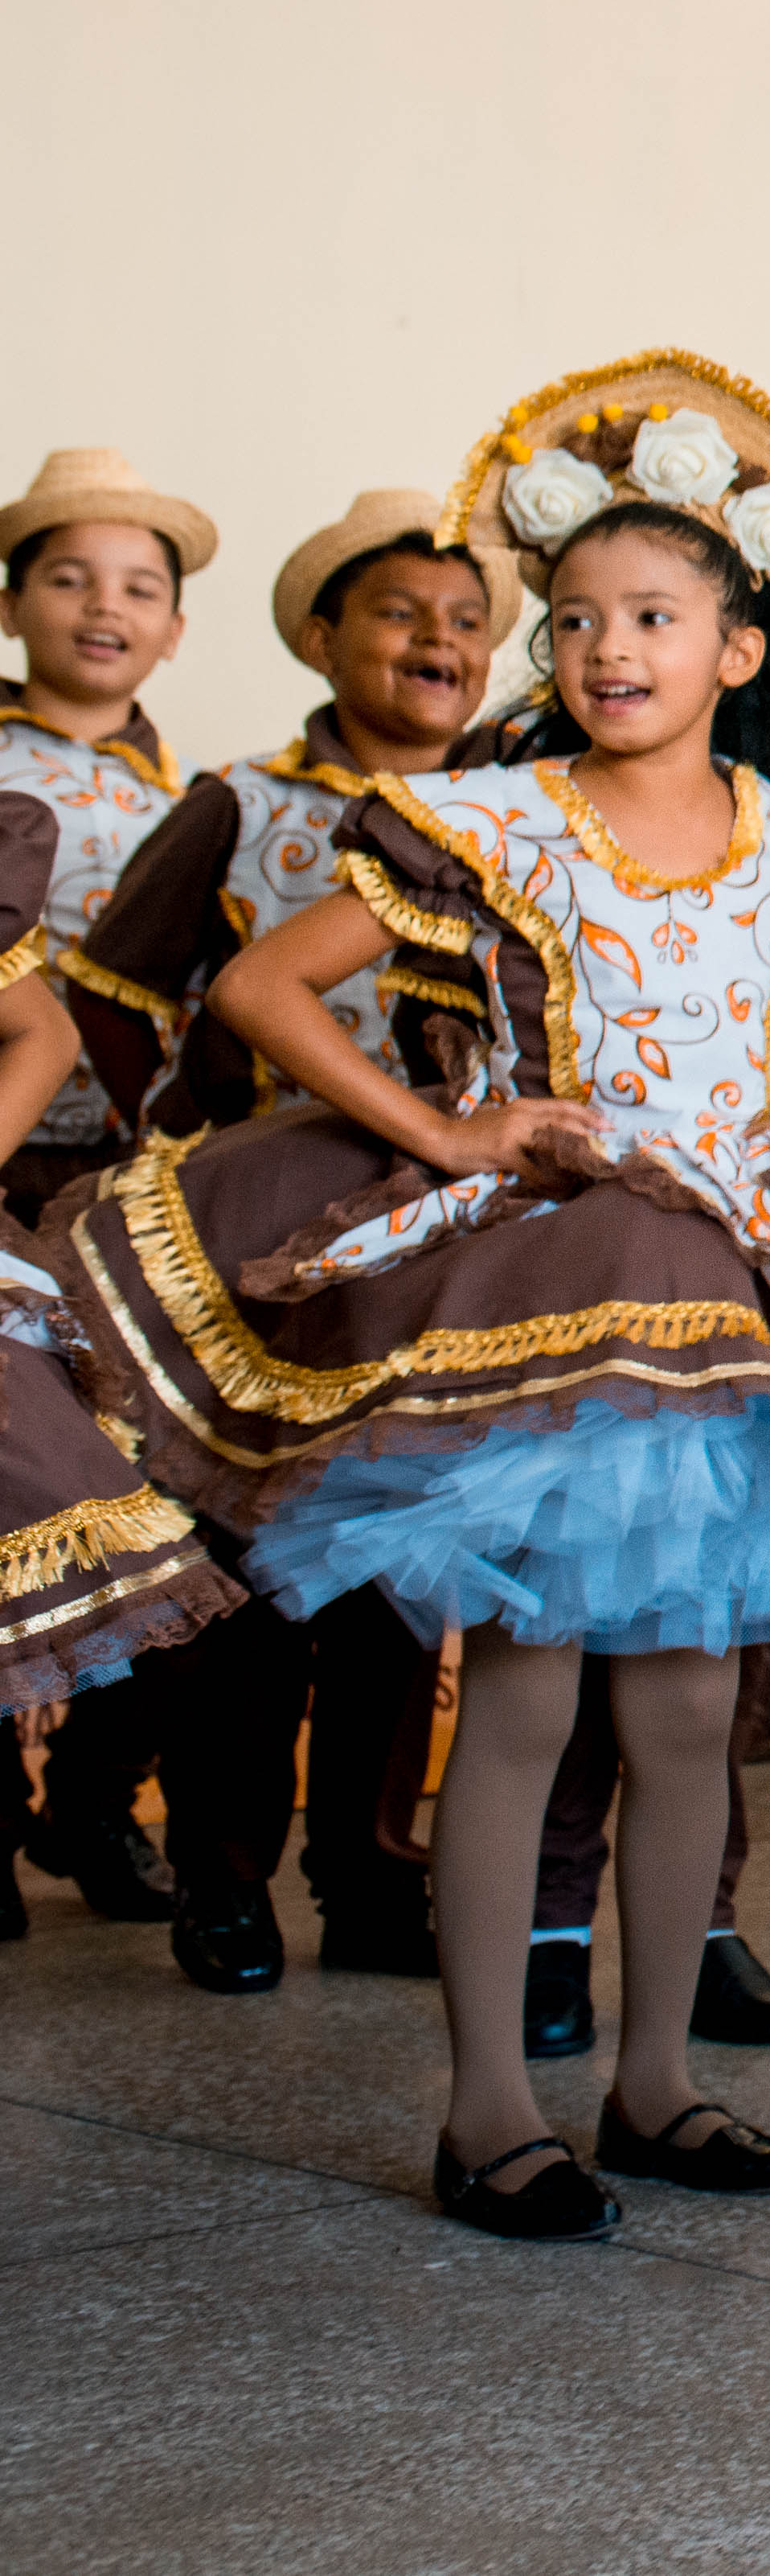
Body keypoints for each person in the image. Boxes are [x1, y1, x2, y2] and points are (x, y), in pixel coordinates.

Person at [55, 353, 770, 2237]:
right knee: (523, 1697)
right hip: (562, 1290)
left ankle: (657, 2079)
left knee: (685, 1709)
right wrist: (447, 1133)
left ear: (739, 649)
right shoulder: (503, 819)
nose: (610, 650)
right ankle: (485, 2108)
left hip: (729, 1294)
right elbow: (264, 989)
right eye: (580, 618)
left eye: (656, 617)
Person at [53, 494, 516, 1994]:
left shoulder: (519, 812)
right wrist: (178, 1151)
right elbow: (113, 996)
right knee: (242, 1570)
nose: (438, 640)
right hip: (251, 1255)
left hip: (431, 1245)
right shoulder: (244, 804)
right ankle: (226, 1876)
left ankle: (370, 1873)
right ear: (324, 636)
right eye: (399, 612)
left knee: (396, 1565)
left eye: (466, 620)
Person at [0, 448, 206, 1931]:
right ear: (14, 602)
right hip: (12, 1167)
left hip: (141, 1183)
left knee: (156, 1490)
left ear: (176, 630)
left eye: (138, 586)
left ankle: (97, 1794)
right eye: (69, 577)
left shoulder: (197, 798)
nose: (103, 607)